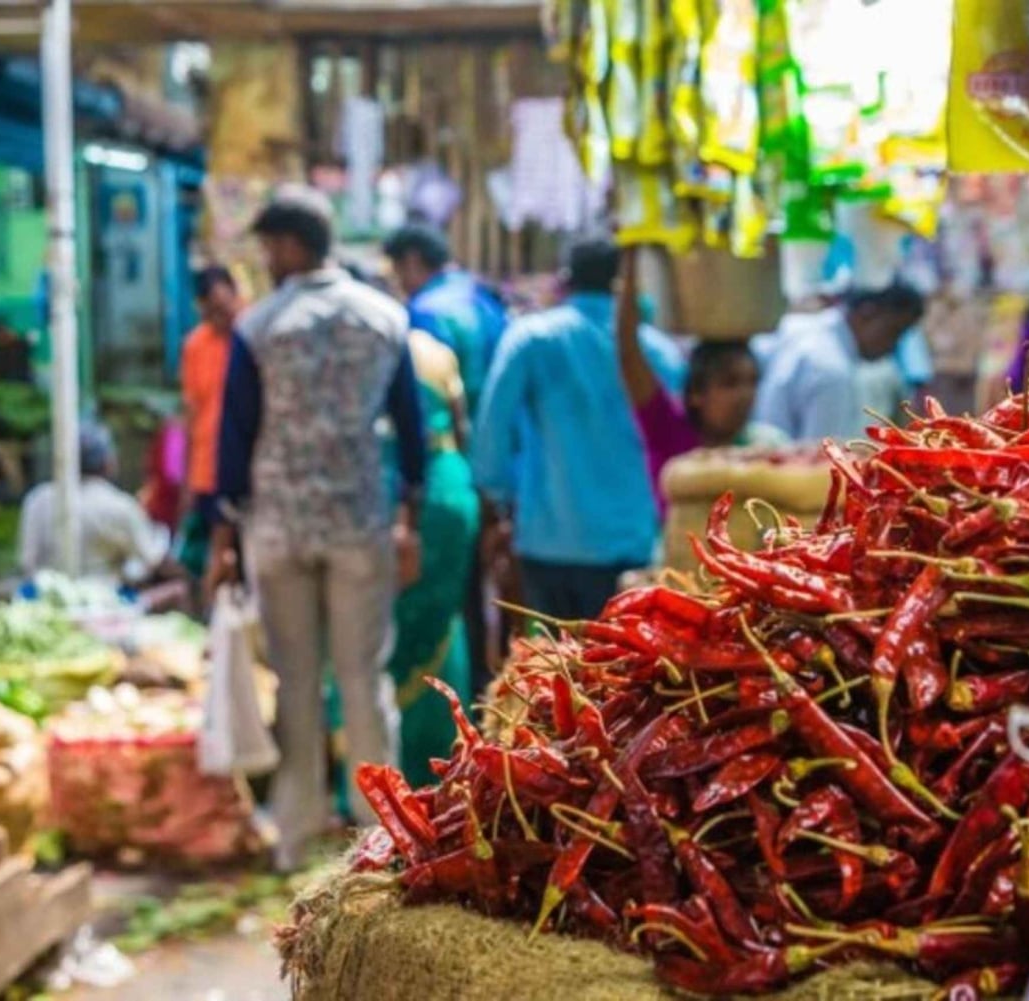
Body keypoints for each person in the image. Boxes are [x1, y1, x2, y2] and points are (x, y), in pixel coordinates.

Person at [206, 186, 426, 870]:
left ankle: (296, 833)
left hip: (278, 527)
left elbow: (235, 437)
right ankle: (381, 834)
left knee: (296, 682)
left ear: (291, 245)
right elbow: (412, 432)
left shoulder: (259, 327)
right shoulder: (385, 319)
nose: (267, 259)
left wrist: (224, 535)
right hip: (360, 521)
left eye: (270, 246)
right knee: (363, 678)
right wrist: (409, 521)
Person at [473, 239, 682, 623]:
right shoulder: (659, 352)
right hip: (631, 544)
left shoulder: (531, 338)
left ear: (566, 280)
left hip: (546, 541)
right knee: (621, 658)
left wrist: (500, 503)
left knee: (553, 657)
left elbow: (490, 437)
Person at [383, 329, 480, 788]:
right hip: (450, 484)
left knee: (391, 628)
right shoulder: (433, 350)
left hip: (405, 492)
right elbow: (461, 425)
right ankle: (449, 764)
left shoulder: (382, 351)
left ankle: (394, 771)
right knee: (444, 622)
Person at [614, 252, 788, 503]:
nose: (745, 395)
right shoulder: (669, 430)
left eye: (752, 382)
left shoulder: (768, 446)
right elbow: (628, 353)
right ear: (696, 393)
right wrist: (631, 257)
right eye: (730, 383)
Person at [754, 284, 927, 442]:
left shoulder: (793, 326)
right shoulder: (833, 372)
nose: (892, 346)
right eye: (894, 331)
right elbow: (822, 458)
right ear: (868, 312)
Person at [19, 423, 169, 583]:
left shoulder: (38, 499)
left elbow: (28, 562)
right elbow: (150, 559)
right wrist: (162, 535)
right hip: (104, 593)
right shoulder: (120, 505)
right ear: (108, 462)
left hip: (46, 591)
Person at [382, 224, 506, 414]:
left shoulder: (422, 312)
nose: (397, 283)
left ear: (412, 261)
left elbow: (429, 395)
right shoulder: (485, 297)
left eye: (396, 271)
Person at [176, 266, 241, 578]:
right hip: (207, 469)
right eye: (210, 312)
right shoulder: (195, 346)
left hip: (246, 470)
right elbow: (191, 413)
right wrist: (187, 478)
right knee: (210, 558)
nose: (219, 318)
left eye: (223, 308)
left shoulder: (253, 337)